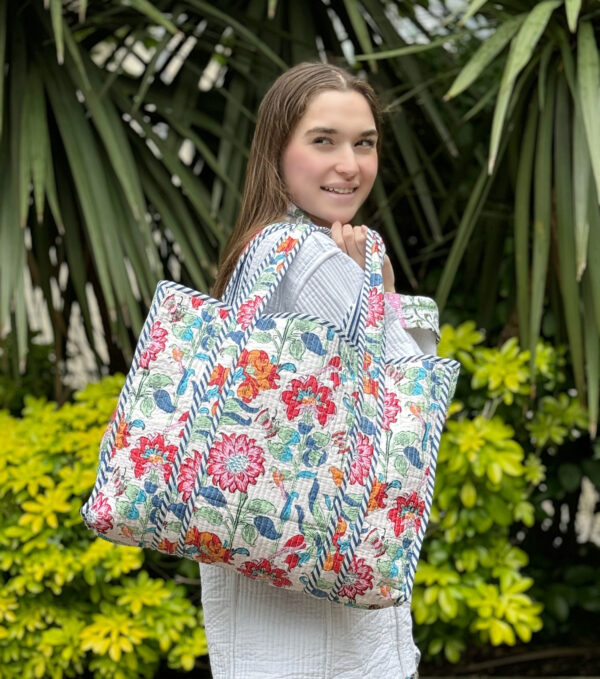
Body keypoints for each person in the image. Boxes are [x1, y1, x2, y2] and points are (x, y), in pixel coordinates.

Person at [202, 61, 438, 679]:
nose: (350, 165)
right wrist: (381, 296)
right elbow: (406, 409)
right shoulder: (313, 255)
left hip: (262, 629)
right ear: (276, 150)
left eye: (364, 143)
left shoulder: (259, 246)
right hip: (330, 644)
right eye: (323, 140)